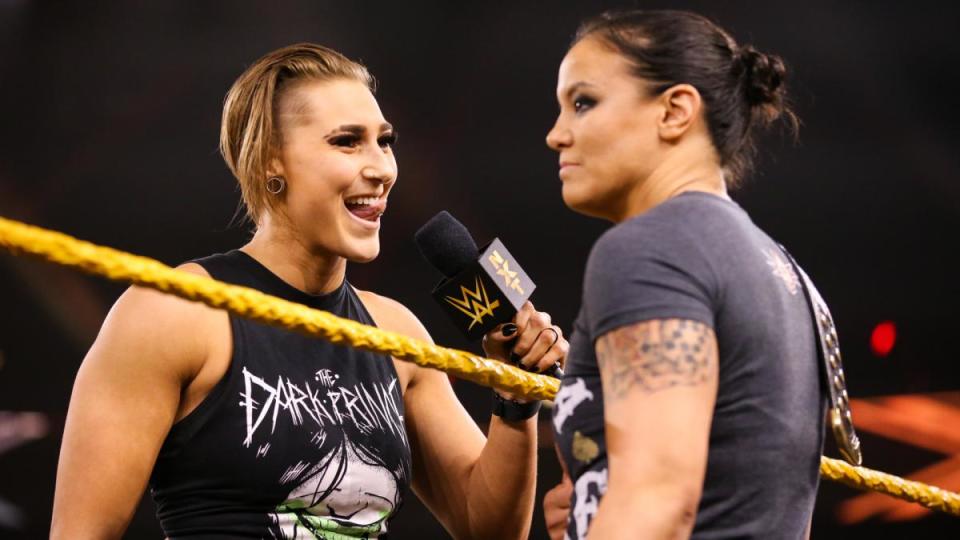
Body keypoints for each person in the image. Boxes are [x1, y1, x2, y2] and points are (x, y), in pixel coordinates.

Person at [50, 43, 567, 539]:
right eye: (346, 141)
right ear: (271, 161)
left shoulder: (395, 332)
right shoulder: (175, 312)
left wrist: (514, 400)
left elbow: (488, 528)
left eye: (384, 140)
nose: (381, 168)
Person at [543, 10, 823, 540]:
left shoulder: (651, 249)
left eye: (583, 103)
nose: (557, 135)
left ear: (675, 111)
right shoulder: (784, 270)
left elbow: (658, 500)